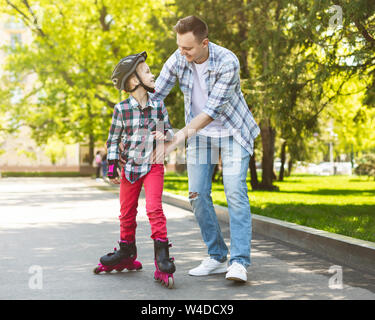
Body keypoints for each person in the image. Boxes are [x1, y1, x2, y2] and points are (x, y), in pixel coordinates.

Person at [149, 16, 260, 282]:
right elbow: (155, 95)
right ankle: (217, 255)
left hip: (233, 132)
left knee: (234, 191)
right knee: (197, 195)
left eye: (188, 48)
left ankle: (239, 262)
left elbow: (211, 112)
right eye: (179, 46)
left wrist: (175, 140)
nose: (182, 52)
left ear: (205, 43)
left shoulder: (227, 62)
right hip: (201, 136)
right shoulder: (178, 58)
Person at [93, 51, 176, 288]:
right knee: (126, 212)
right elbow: (112, 140)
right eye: (147, 71)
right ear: (133, 81)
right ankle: (127, 251)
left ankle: (162, 255)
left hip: (152, 166)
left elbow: (169, 131)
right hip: (129, 167)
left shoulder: (158, 106)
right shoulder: (121, 110)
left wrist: (165, 134)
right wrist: (111, 168)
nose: (153, 74)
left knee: (154, 208)